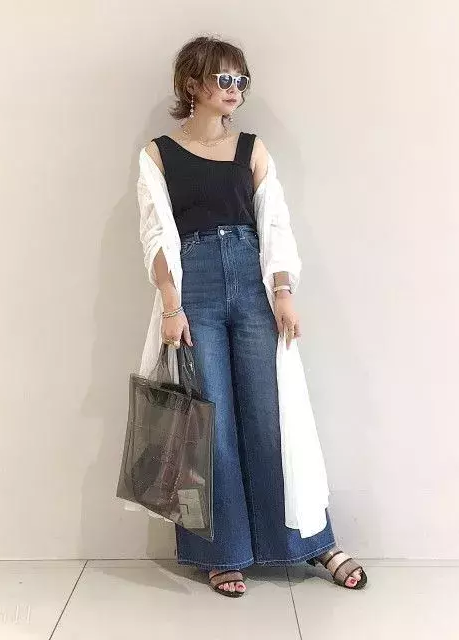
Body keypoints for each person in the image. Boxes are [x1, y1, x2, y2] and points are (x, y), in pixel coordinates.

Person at [138, 35, 367, 597]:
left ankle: (309, 542)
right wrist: (171, 305)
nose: (234, 89)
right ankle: (221, 553)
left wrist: (283, 291)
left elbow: (276, 224)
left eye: (240, 80)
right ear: (192, 84)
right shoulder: (158, 154)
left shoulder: (252, 150)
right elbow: (156, 233)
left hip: (253, 286)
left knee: (273, 418)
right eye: (223, 79)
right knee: (208, 424)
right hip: (195, 291)